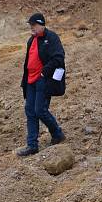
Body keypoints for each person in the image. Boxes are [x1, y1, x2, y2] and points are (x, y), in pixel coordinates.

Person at [17, 13, 66, 156]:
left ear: (41, 24)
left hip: (43, 80)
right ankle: (32, 145)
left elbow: (59, 57)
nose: (31, 27)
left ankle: (57, 133)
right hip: (30, 80)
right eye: (30, 25)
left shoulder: (51, 38)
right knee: (30, 111)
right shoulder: (31, 40)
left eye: (34, 25)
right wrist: (25, 80)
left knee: (40, 110)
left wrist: (45, 72)